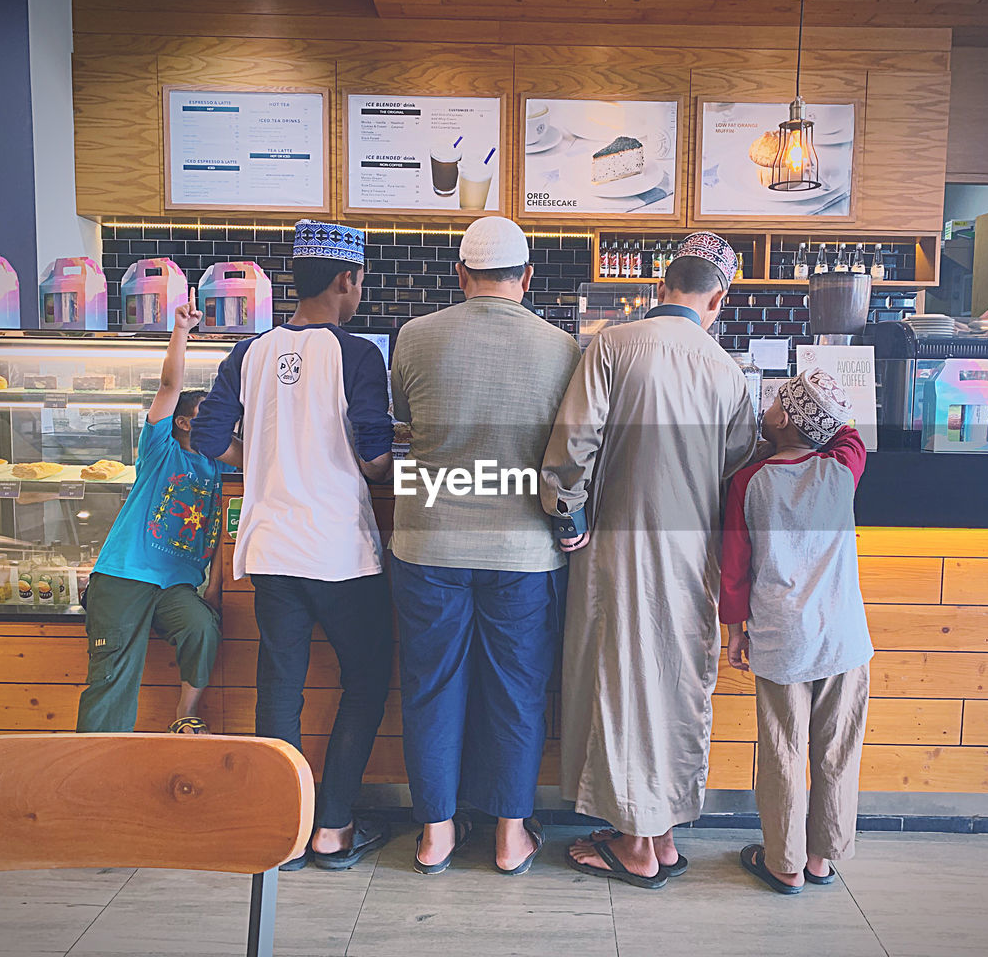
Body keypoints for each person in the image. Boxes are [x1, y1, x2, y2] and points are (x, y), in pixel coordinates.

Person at [540, 232, 758, 890]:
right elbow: (738, 465)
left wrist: (566, 512)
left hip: (617, 548)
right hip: (691, 552)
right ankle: (657, 834)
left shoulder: (610, 347)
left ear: (663, 283)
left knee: (622, 682)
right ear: (716, 297)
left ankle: (634, 845)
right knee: (673, 685)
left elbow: (571, 448)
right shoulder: (727, 371)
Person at [190, 219, 395, 873]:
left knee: (280, 685)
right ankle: (333, 826)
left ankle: (285, 828)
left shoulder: (247, 353)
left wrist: (264, 460)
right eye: (359, 282)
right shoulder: (359, 355)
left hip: (272, 547)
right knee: (367, 678)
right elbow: (375, 459)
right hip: (338, 551)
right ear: (346, 279)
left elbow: (204, 437)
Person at [388, 216, 580, 876]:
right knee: (518, 691)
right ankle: (507, 838)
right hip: (523, 551)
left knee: (429, 688)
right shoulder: (564, 348)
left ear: (461, 276)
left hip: (426, 543)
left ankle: (436, 835)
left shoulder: (412, 338)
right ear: (527, 276)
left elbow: (405, 426)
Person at [720, 369, 873, 895]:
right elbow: (851, 433)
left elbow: (734, 566)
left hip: (782, 637)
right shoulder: (841, 468)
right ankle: (821, 858)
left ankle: (782, 862)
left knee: (783, 748)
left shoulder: (748, 481)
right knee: (837, 750)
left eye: (776, 400)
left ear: (783, 418)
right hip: (844, 639)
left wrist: (735, 629)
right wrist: (823, 413)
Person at [76, 292, 240, 735]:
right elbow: (169, 388)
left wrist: (214, 591)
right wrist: (181, 332)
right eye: (204, 414)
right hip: (125, 575)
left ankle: (184, 716)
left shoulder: (223, 463)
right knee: (112, 677)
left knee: (202, 630)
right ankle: (96, 770)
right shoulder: (161, 448)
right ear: (183, 422)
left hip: (176, 586)